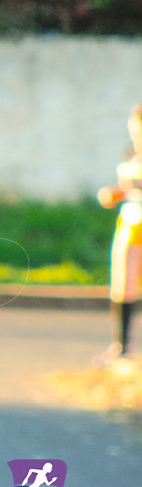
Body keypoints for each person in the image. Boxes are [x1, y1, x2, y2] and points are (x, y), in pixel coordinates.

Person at [95, 102, 142, 367]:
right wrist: (112, 194)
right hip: (132, 221)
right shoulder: (131, 160)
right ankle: (122, 348)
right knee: (123, 284)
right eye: (135, 130)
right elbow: (124, 191)